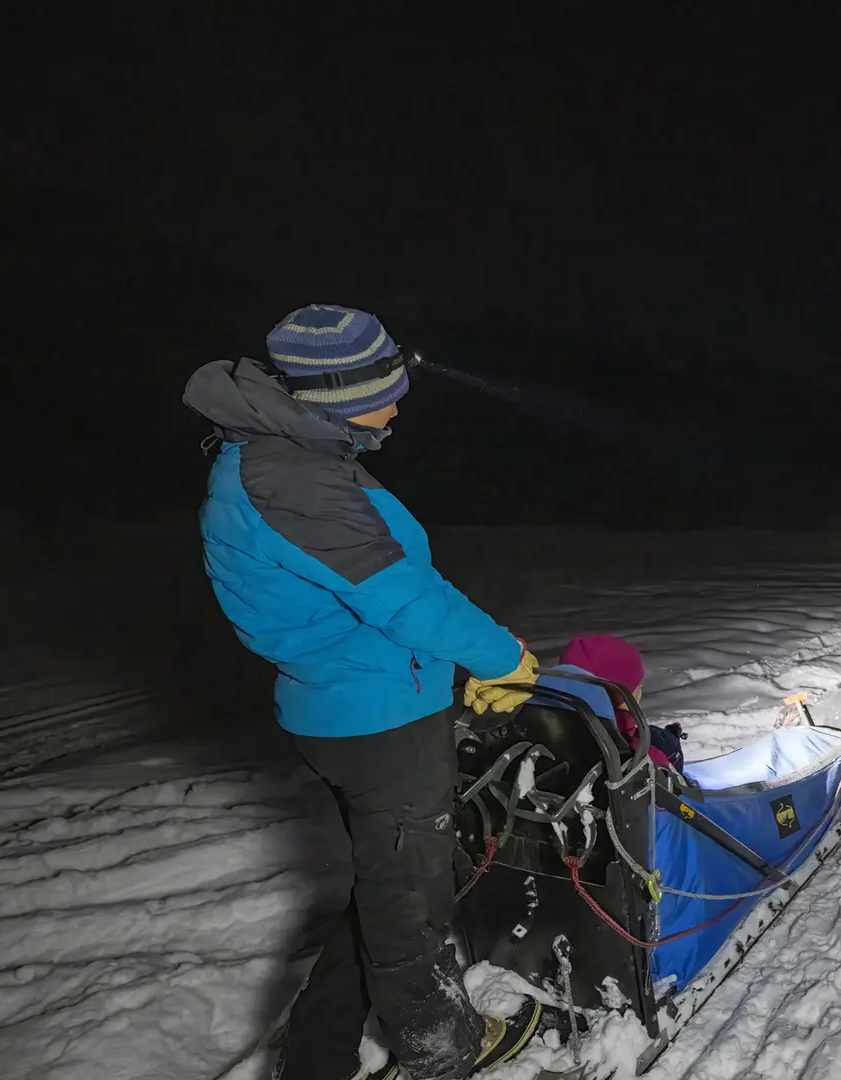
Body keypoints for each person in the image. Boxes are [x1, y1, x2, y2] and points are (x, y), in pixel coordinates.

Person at [182, 304, 542, 1080]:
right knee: (411, 895)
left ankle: (316, 1052)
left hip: (361, 701)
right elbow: (400, 594)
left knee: (392, 880)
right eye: (388, 386)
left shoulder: (291, 455)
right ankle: (438, 1045)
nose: (401, 400)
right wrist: (503, 657)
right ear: (335, 394)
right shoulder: (292, 477)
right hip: (377, 720)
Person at [556, 634, 685, 772]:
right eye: (636, 684)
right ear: (619, 694)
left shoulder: (560, 725)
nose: (640, 688)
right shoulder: (640, 757)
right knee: (668, 745)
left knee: (659, 736)